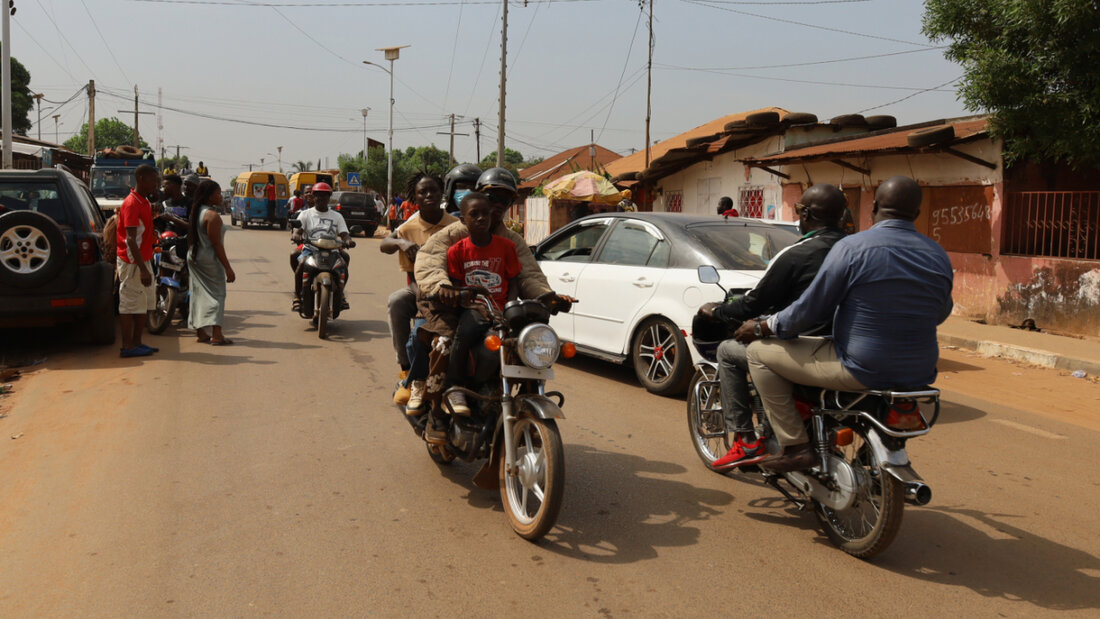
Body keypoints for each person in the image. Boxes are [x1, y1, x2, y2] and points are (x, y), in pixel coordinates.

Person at [734, 176, 954, 472]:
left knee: (758, 354)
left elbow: (810, 309)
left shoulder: (853, 247)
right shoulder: (938, 254)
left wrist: (763, 328)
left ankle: (796, 445)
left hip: (860, 366)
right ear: (916, 213)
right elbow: (939, 312)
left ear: (874, 207)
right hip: (920, 371)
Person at [696, 184, 848, 469]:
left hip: (804, 347)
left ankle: (746, 440)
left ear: (805, 214)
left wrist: (717, 310)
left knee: (729, 351)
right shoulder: (854, 249)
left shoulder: (795, 254)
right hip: (849, 348)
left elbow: (753, 304)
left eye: (799, 211)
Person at [421, 192, 523, 444]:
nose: (480, 219)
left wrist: (510, 306)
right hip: (474, 309)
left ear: (493, 217)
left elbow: (516, 279)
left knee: (523, 339)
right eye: (473, 215)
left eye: (485, 214)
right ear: (463, 221)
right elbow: (456, 286)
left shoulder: (508, 246)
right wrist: (467, 300)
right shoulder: (456, 250)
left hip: (500, 311)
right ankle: (455, 387)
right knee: (468, 329)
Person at [380, 173, 458, 413]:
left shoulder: (457, 226)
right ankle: (407, 369)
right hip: (420, 289)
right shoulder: (408, 228)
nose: (428, 196)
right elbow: (387, 247)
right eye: (422, 192)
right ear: (414, 198)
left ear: (442, 194)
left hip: (454, 290)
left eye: (433, 191)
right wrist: (401, 242)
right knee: (398, 303)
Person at [116, 164, 161, 358]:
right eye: (153, 180)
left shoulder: (143, 202)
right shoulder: (132, 203)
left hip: (144, 260)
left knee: (143, 303)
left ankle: (137, 343)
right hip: (133, 263)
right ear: (141, 179)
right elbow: (131, 239)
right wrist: (142, 269)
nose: (156, 185)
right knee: (129, 304)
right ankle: (127, 346)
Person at [291, 182, 356, 312]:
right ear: (313, 197)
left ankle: (341, 293)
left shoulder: (337, 216)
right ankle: (297, 296)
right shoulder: (306, 214)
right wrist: (297, 236)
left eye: (324, 195)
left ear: (329, 198)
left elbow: (344, 234)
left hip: (332, 250)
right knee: (302, 263)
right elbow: (297, 231)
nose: (321, 198)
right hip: (311, 249)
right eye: (318, 195)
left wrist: (348, 241)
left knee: (344, 261)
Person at [187, 180, 236, 345]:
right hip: (209, 259)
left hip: (194, 256)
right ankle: (217, 334)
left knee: (198, 294)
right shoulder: (212, 216)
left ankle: (200, 332)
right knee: (217, 295)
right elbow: (216, 244)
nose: (221, 197)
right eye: (218, 193)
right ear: (209, 196)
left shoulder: (197, 211)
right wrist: (228, 268)